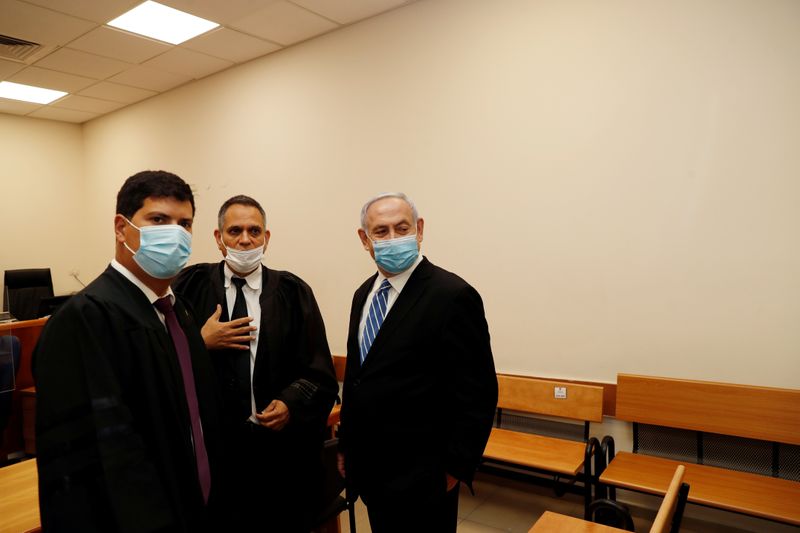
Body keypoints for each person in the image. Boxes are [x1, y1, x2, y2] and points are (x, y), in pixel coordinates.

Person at [33, 170, 222, 532]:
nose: (176, 234)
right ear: (122, 228)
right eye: (158, 220)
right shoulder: (86, 319)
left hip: (195, 509)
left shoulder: (178, 311)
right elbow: (100, 458)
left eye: (185, 224)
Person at [173, 195, 338, 532]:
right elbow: (158, 363)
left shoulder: (293, 293)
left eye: (254, 231)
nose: (245, 240)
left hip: (275, 454)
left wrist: (291, 405)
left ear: (267, 237)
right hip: (212, 452)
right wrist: (199, 343)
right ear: (219, 239)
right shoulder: (186, 287)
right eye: (235, 231)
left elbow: (320, 374)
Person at [337, 192, 498, 532]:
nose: (393, 238)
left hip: (425, 476)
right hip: (372, 469)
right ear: (364, 239)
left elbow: (477, 392)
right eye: (381, 232)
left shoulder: (452, 295)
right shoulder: (363, 295)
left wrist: (455, 467)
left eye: (402, 228)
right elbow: (358, 377)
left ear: (419, 230)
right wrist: (347, 447)